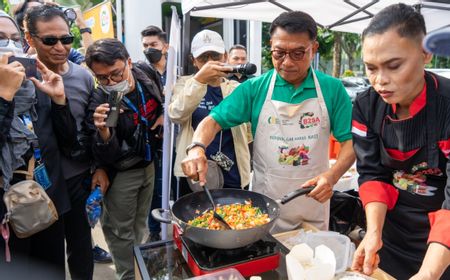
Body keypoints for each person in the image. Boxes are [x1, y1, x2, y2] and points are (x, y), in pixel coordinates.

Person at [181, 12, 354, 233]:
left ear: (314, 48)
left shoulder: (332, 89)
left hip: (314, 204)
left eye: (298, 53)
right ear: (270, 46)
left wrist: (333, 175)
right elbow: (212, 121)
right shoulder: (255, 88)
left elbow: (349, 144)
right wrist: (196, 148)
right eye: (279, 53)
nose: (287, 62)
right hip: (265, 207)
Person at [350, 4, 450, 279]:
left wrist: (429, 273)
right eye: (371, 68)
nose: (381, 81)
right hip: (392, 237)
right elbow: (373, 173)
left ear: (425, 53)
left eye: (394, 66)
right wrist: (373, 233)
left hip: (443, 243)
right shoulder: (366, 106)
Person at [24, 5, 109, 279]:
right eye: (50, 40)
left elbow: (91, 129)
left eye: (66, 39)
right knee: (45, 257)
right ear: (30, 39)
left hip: (77, 180)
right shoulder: (17, 78)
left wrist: (99, 167)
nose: (60, 47)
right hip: (37, 186)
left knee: (81, 248)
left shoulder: (83, 76)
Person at [0, 9, 76, 278]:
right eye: (0, 38)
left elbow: (69, 143)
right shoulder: (9, 91)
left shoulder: (32, 84)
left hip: (46, 201)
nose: (9, 44)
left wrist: (59, 100)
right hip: (8, 214)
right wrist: (4, 97)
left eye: (13, 38)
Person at [86, 38, 163, 280]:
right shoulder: (99, 100)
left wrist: (162, 114)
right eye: (102, 78)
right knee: (120, 230)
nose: (111, 82)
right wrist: (104, 131)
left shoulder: (145, 73)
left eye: (116, 74)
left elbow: (161, 95)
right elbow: (103, 153)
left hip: (149, 163)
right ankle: (127, 275)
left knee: (141, 223)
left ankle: (139, 267)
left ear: (129, 62)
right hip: (122, 173)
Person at [169, 30, 251, 193]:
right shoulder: (185, 84)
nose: (210, 63)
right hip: (195, 173)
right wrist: (199, 80)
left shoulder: (236, 88)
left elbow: (249, 130)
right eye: (203, 58)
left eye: (215, 56)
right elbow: (176, 114)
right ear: (193, 60)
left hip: (233, 172)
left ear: (225, 56)